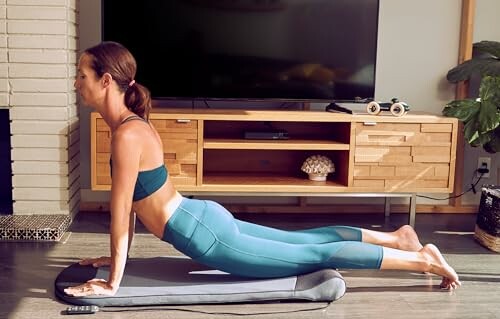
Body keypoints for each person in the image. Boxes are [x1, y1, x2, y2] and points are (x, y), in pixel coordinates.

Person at [65, 41, 461, 298]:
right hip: (202, 218)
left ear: (105, 81)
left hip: (204, 236)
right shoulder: (130, 125)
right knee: (305, 240)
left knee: (314, 255)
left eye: (81, 76)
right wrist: (115, 259)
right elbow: (131, 209)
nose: (76, 83)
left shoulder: (125, 135)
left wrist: (113, 281)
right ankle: (396, 237)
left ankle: (423, 259)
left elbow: (120, 214)